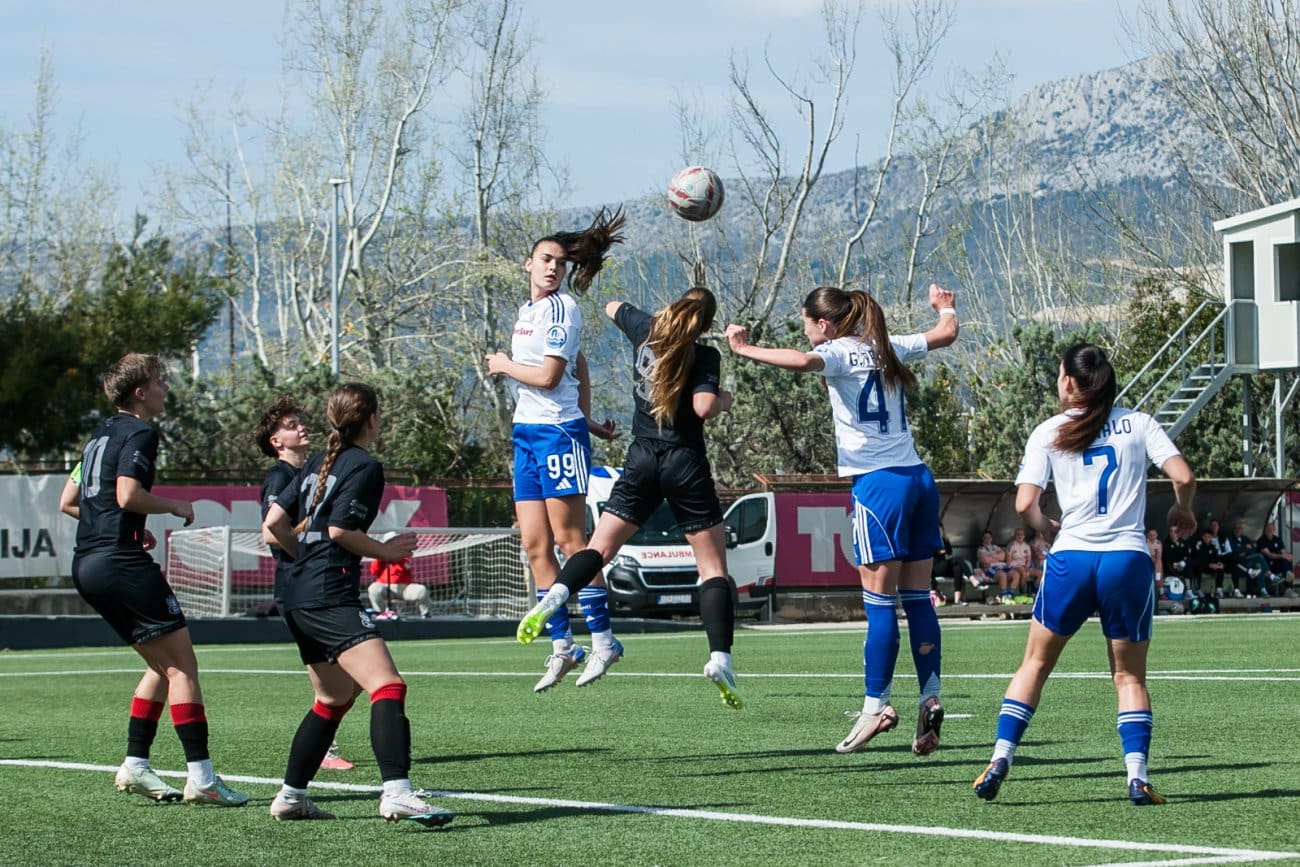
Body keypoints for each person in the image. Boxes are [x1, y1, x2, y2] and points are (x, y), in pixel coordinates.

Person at [726, 282, 960, 753]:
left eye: (807, 322)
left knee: (878, 603)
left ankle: (877, 708)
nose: (805, 330)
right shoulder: (886, 346)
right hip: (918, 479)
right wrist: (944, 307)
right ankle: (930, 694)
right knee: (917, 598)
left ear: (825, 324)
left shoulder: (838, 352)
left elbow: (802, 361)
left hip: (878, 487)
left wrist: (744, 348)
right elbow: (946, 333)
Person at [972, 343, 1196, 806]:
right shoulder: (1138, 423)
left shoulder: (1049, 430)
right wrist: (1182, 509)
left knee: (1034, 664)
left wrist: (1048, 529)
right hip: (1127, 561)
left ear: (1069, 382)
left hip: (1072, 558)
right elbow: (1184, 476)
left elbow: (1023, 504)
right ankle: (1137, 776)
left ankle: (1000, 758)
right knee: (1129, 677)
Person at [517, 287, 743, 707]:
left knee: (599, 548)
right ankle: (720, 658)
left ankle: (557, 594)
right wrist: (726, 398)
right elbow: (704, 407)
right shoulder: (704, 353)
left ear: (673, 308)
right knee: (712, 568)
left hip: (641, 457)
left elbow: (611, 305)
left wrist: (648, 317)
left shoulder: (645, 329)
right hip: (684, 460)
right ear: (706, 325)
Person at [261, 383, 452, 825]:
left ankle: (291, 796)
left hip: (296, 595)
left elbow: (273, 525)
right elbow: (339, 532)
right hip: (328, 593)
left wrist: (303, 561)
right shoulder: (364, 465)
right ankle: (398, 792)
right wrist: (388, 551)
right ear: (371, 420)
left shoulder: (313, 464)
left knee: (333, 696)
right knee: (388, 685)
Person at [70, 353, 249, 807]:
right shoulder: (140, 432)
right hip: (119, 562)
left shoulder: (99, 436)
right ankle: (203, 779)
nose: (166, 387)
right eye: (159, 381)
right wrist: (175, 506)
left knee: (160, 666)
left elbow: (69, 499)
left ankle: (135, 765)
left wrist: (125, 522)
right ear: (139, 392)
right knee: (183, 668)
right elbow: (128, 493)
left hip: (89, 561)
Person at [485, 209, 625, 692]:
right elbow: (577, 365)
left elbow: (548, 376)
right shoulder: (529, 312)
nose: (553, 268)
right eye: (546, 259)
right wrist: (588, 414)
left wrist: (503, 365)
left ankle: (605, 641)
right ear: (528, 263)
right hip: (527, 433)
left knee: (571, 542)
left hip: (557, 435)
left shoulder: (565, 308)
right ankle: (564, 646)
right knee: (534, 546)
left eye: (560, 262)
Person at [254, 395, 355, 772]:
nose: (301, 426)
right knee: (338, 680)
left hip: (314, 587)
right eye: (290, 424)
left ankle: (324, 741)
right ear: (276, 442)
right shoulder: (281, 477)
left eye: (300, 420)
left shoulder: (312, 471)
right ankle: (323, 748)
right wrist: (308, 556)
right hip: (302, 588)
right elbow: (269, 531)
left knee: (350, 677)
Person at [1257, 520, 1296, 597]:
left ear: (1274, 530)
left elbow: (1283, 552)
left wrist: (1288, 556)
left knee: (1287, 561)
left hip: (1277, 565)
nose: (1270, 530)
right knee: (1284, 560)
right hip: (1267, 567)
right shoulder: (1261, 541)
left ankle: (1288, 588)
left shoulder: (1277, 539)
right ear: (1265, 530)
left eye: (1271, 529)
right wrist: (1282, 556)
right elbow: (1269, 555)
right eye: (1268, 529)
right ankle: (1285, 585)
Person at [1006, 528, 1034, 596]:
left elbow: (1029, 560)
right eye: (1017, 534)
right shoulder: (1011, 545)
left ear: (1024, 536)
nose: (1019, 536)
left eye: (1021, 534)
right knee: (1024, 573)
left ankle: (1035, 593)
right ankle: (1022, 592)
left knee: (1040, 574)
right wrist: (1019, 566)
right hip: (1014, 566)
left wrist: (1026, 567)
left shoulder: (1027, 546)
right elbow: (1008, 561)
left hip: (1024, 567)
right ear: (1015, 536)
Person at [1144, 529, 1164, 597]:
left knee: (1158, 576)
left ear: (1156, 536)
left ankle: (1161, 593)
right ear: (1147, 536)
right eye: (1150, 535)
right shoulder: (1145, 542)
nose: (1152, 536)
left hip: (1155, 563)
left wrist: (1158, 573)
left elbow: (1158, 559)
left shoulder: (1158, 544)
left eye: (1154, 535)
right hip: (1146, 562)